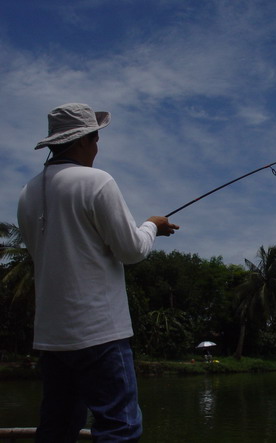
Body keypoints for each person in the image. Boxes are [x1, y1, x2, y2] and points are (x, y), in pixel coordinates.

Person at [17, 103, 179, 442]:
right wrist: (152, 225)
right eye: (95, 139)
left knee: (57, 427)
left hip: (52, 337)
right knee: (120, 427)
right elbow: (131, 251)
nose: (96, 147)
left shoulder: (27, 193)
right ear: (82, 140)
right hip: (100, 333)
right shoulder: (97, 181)